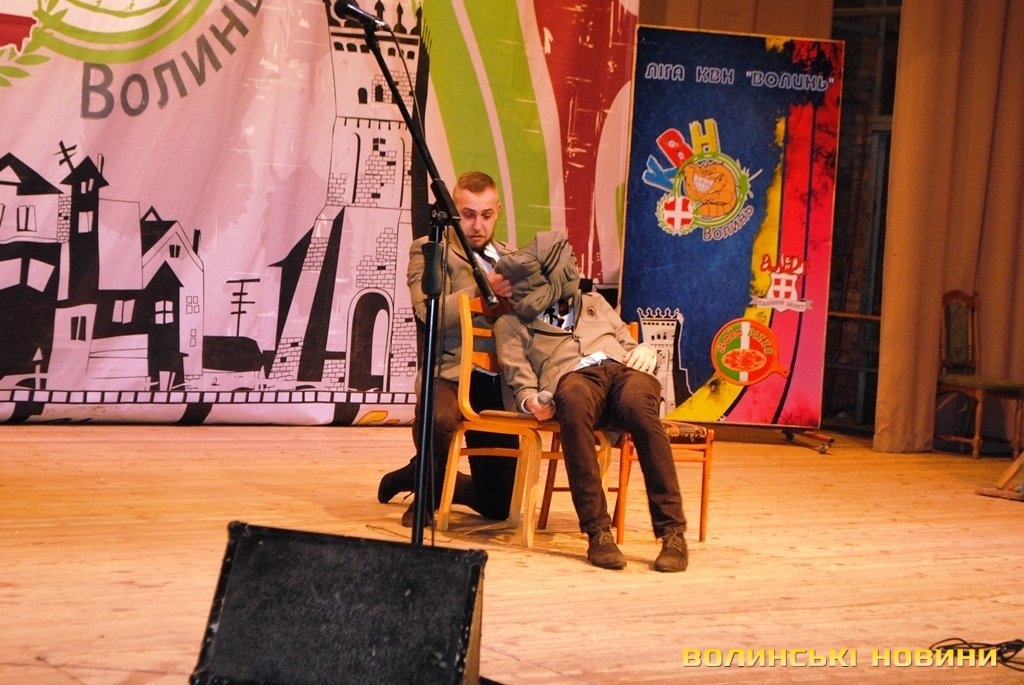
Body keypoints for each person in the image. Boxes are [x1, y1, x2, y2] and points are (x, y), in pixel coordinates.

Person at [492, 231, 688, 572]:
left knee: (640, 408)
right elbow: (518, 376)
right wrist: (530, 401)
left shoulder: (594, 302)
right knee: (573, 396)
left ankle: (673, 533)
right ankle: (598, 532)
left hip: (623, 372)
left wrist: (644, 350)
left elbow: (628, 344)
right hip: (574, 379)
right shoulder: (513, 324)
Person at [377, 171, 519, 527]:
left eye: (486, 215)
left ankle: (422, 475)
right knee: (438, 418)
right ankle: (425, 492)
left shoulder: (511, 258)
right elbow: (428, 312)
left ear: (498, 211)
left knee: (498, 506)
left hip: (498, 380)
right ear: (453, 211)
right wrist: (482, 290)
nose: (477, 225)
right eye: (467, 214)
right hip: (451, 371)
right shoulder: (431, 250)